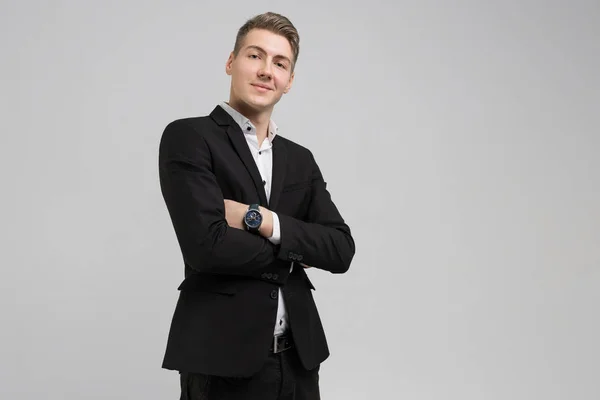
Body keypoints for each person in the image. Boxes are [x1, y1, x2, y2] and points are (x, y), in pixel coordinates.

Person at [158, 11, 355, 399]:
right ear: (231, 62)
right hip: (222, 363)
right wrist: (298, 247)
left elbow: (341, 249)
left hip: (299, 361)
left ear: (289, 82)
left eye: (279, 63)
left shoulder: (301, 159)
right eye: (255, 56)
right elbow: (207, 246)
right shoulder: (190, 137)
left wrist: (261, 221)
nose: (267, 70)